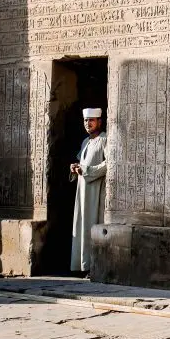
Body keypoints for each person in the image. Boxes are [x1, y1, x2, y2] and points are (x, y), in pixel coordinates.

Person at [70, 108, 107, 274]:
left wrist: (86, 170)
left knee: (92, 226)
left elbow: (109, 164)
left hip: (95, 192)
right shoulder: (86, 142)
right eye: (86, 120)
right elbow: (81, 163)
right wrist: (74, 168)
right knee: (81, 227)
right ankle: (82, 266)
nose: (88, 123)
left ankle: (92, 267)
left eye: (91, 120)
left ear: (99, 121)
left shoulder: (104, 139)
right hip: (82, 191)